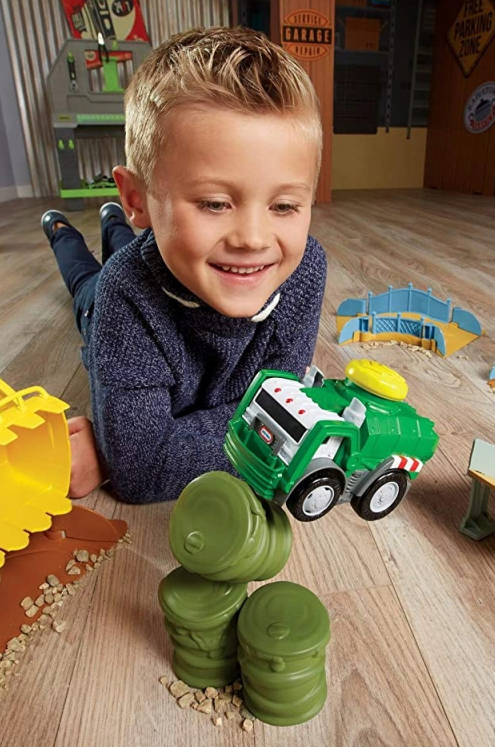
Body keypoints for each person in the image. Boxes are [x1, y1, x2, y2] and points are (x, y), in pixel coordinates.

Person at [40, 26, 327, 504]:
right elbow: (143, 470)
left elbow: (283, 405)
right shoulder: (124, 293)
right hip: (105, 301)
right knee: (87, 278)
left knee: (132, 243)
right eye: (214, 203)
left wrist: (133, 444)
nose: (254, 239)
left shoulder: (304, 268)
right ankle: (61, 231)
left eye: (284, 206)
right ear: (138, 197)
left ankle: (112, 222)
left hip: (166, 253)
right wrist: (131, 452)